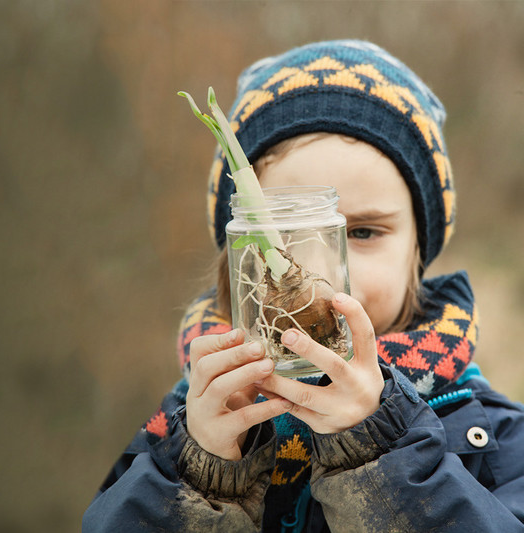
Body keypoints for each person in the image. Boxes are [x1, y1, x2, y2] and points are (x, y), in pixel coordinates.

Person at [83, 40, 524, 532]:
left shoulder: (495, 438)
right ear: (237, 261)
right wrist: (203, 480)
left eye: (362, 233)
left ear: (417, 254)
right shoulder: (173, 436)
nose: (324, 275)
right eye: (283, 239)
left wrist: (376, 449)